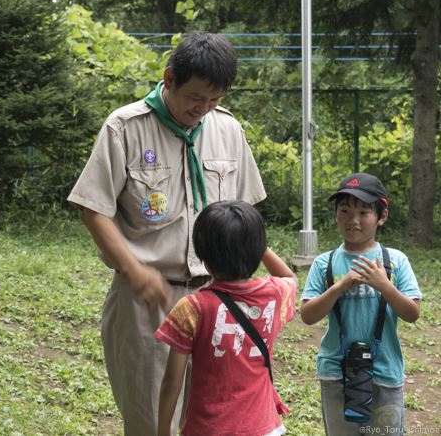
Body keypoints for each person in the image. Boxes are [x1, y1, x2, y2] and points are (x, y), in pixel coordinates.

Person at [68, 32, 266, 434]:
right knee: (151, 418)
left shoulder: (227, 129)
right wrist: (134, 270)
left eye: (214, 101)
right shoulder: (125, 128)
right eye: (196, 97)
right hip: (151, 301)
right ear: (170, 78)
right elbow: (94, 209)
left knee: (217, 416)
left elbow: (246, 212)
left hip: (219, 299)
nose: (203, 109)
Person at [155, 200, 296, 436]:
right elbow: (289, 276)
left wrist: (162, 431)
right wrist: (254, 244)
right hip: (264, 427)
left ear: (203, 255)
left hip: (208, 428)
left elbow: (172, 382)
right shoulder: (275, 293)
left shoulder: (192, 308)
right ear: (257, 249)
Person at [301, 173, 421, 435]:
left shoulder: (395, 260)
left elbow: (412, 313)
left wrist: (384, 285)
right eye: (344, 211)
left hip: (384, 372)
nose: (353, 220)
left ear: (381, 217)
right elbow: (308, 315)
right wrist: (340, 286)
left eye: (364, 212)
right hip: (336, 372)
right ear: (335, 214)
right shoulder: (325, 263)